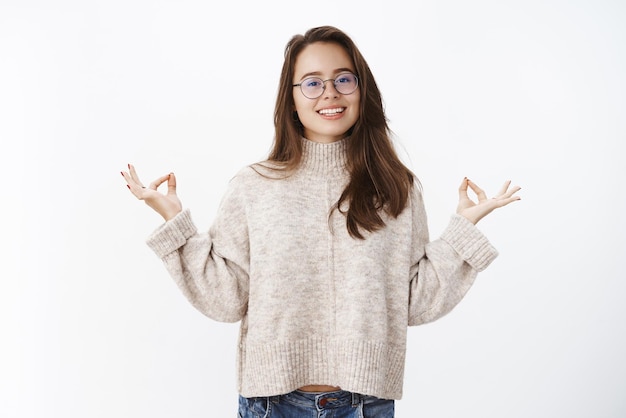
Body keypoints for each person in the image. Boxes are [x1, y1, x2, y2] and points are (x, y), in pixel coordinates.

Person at [121, 25, 520, 418]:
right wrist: (174, 221)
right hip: (270, 404)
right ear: (291, 99)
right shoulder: (253, 186)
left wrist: (461, 233)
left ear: (362, 90)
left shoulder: (395, 186)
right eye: (312, 83)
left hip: (366, 403)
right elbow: (227, 299)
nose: (330, 92)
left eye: (343, 79)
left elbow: (411, 302)